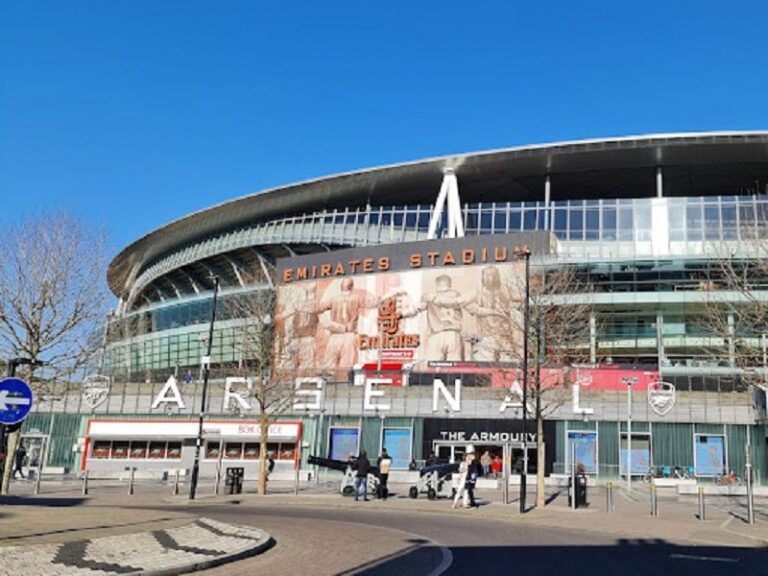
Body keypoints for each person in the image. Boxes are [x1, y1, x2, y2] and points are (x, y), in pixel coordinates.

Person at [421, 274, 465, 361]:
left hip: (436, 334)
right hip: (453, 334)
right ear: (449, 284)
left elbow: (417, 308)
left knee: (431, 368)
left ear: (437, 284)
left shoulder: (429, 296)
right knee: (454, 368)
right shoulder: (456, 295)